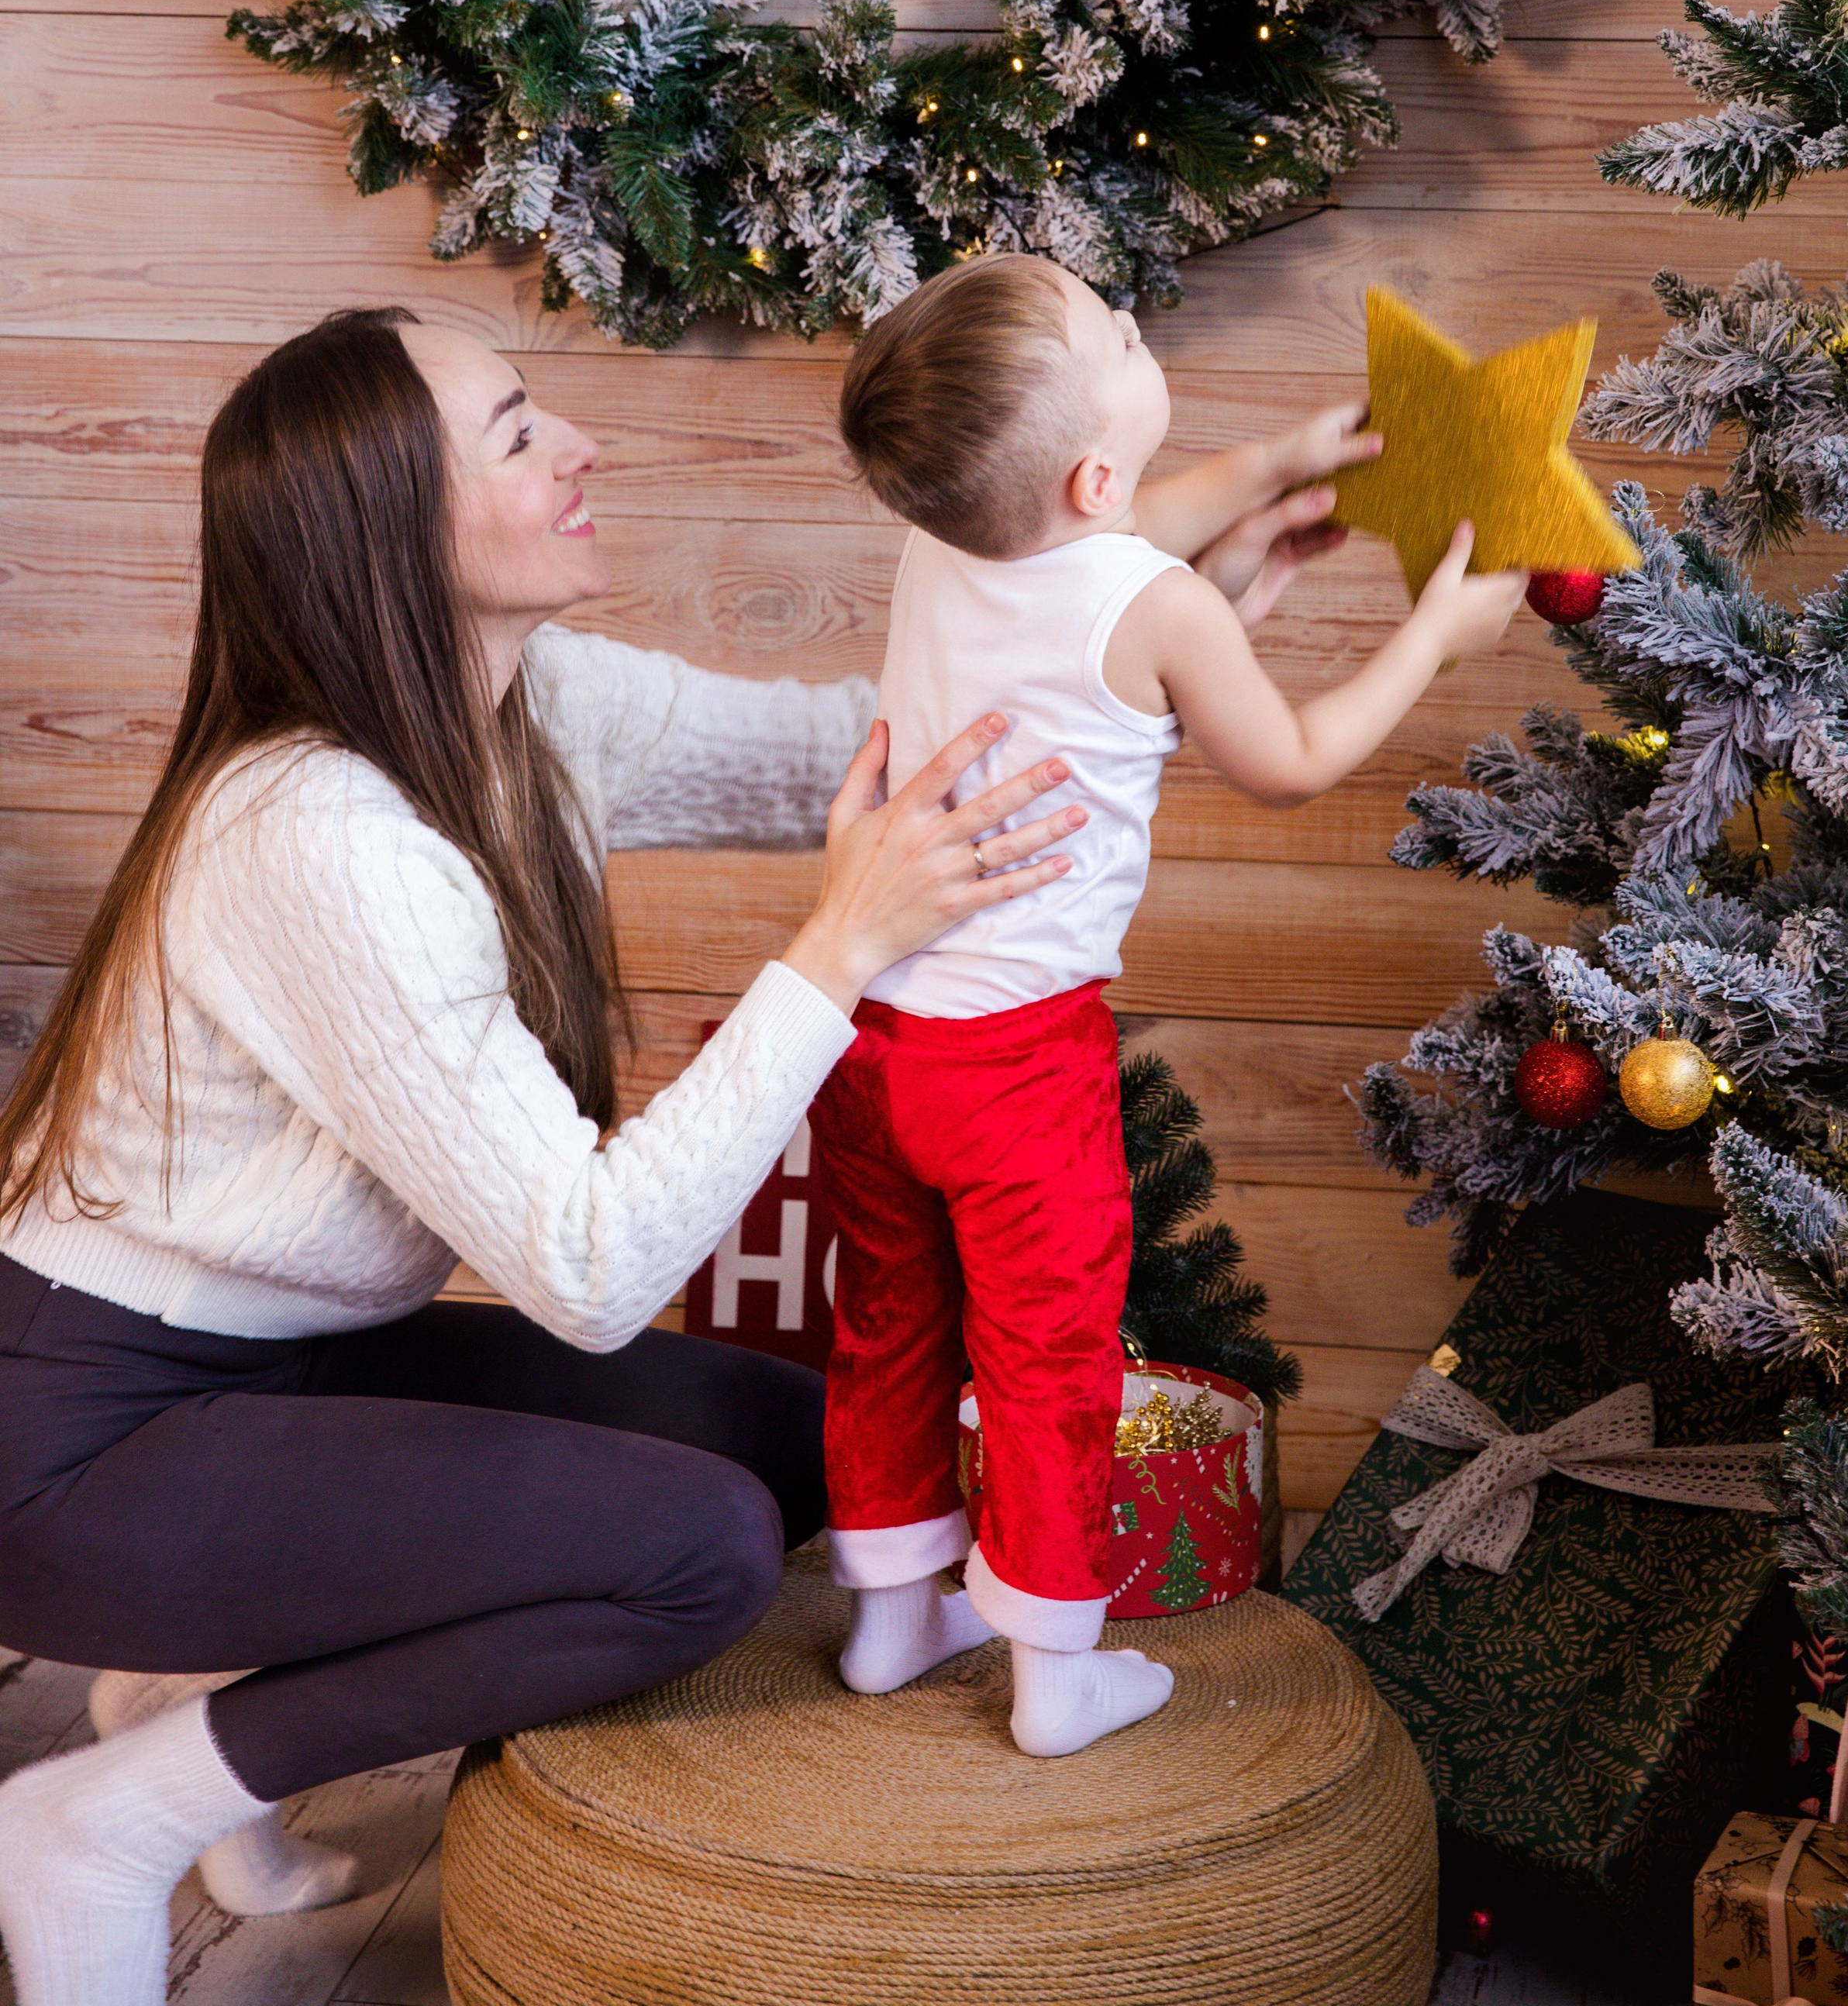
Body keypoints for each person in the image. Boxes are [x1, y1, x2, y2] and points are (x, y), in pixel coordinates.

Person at [0, 305, 1095, 2006]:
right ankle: (108, 1813)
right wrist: (837, 950)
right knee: (697, 1552)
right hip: (71, 1441)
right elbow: (587, 1276)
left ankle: (191, 1698)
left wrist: (1139, 619)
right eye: (516, 433)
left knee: (791, 1442)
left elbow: (862, 745)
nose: (577, 445)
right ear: (389, 533)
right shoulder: (316, 834)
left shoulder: (529, 706)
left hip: (284, 1373)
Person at [825, 255, 1525, 1756]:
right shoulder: (1147, 598)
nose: (1145, 335)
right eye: (1125, 335)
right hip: (1018, 1065)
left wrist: (1271, 471)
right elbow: (1284, 757)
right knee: (1046, 1359)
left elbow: (1111, 525)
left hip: (876, 1034)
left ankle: (892, 1613)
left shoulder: (940, 535)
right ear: (1091, 470)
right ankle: (1058, 1666)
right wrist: (1429, 641)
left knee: (890, 1321)